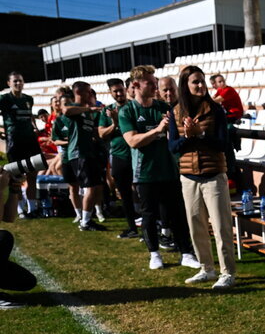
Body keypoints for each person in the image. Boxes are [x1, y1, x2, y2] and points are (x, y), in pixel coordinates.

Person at [119, 65, 201, 271]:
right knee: (148, 215)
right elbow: (132, 141)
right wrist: (157, 130)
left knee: (177, 213)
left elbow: (174, 135)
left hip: (169, 169)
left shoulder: (163, 107)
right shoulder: (127, 111)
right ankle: (154, 253)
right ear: (136, 85)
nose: (155, 86)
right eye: (150, 82)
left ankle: (186, 253)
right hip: (144, 172)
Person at [167, 66, 237, 290]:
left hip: (213, 175)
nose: (200, 86)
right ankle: (206, 268)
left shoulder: (216, 110)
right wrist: (188, 137)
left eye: (202, 81)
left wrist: (202, 134)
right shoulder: (175, 112)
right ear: (185, 86)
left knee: (221, 226)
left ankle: (227, 272)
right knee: (196, 225)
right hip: (188, 177)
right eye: (195, 82)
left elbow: (224, 145)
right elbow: (173, 147)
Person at [59, 82, 108, 231]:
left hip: (89, 153)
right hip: (78, 153)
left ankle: (89, 217)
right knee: (90, 188)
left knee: (97, 186)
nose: (90, 95)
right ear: (79, 92)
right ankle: (85, 222)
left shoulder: (86, 112)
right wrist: (89, 108)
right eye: (88, 92)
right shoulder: (75, 108)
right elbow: (66, 110)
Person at [98, 78, 139, 239]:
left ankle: (154, 226)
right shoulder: (107, 111)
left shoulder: (134, 106)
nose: (119, 93)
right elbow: (101, 134)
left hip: (136, 154)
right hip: (118, 156)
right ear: (111, 92)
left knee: (142, 192)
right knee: (125, 193)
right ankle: (132, 227)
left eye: (121, 89)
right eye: (115, 91)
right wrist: (114, 123)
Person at [0, 72, 41, 220]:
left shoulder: (29, 99)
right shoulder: (4, 99)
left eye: (21, 81)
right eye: (15, 81)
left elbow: (29, 116)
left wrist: (34, 127)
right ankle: (19, 209)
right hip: (14, 141)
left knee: (32, 174)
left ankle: (32, 208)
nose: (18, 84)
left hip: (30, 141)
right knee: (16, 176)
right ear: (8, 83)